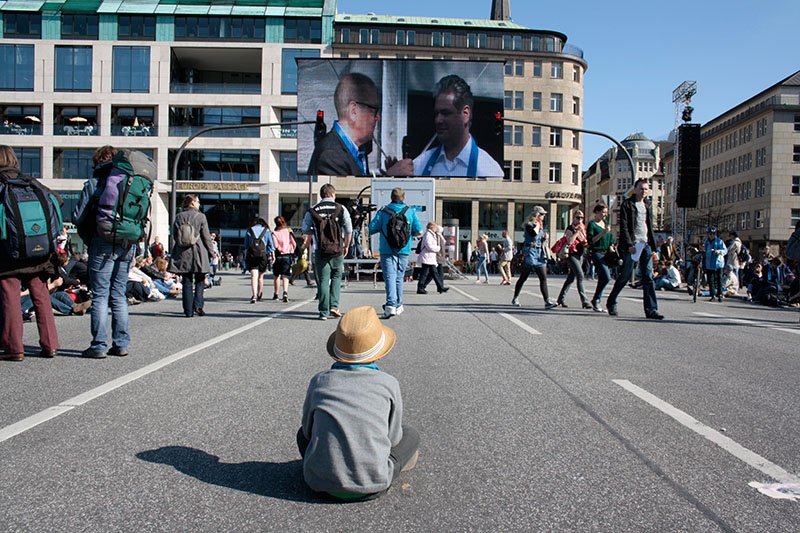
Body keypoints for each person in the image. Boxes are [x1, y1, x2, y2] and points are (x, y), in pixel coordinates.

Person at [297, 306, 420, 501]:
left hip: (318, 483)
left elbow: (307, 432)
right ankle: (377, 467)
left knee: (302, 435)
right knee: (411, 434)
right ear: (378, 353)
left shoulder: (319, 381)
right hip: (373, 483)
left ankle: (324, 465)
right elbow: (394, 437)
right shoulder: (388, 383)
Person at [76, 145, 138, 358]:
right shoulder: (129, 182)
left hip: (101, 242)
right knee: (119, 294)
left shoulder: (94, 183)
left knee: (101, 295)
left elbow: (78, 216)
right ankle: (121, 343)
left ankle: (99, 345)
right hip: (127, 244)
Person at [0, 146, 61, 360]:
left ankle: (14, 347)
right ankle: (50, 344)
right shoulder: (32, 183)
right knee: (41, 296)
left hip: (8, 254)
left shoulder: (1, 186)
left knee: (10, 297)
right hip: (39, 251)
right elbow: (57, 201)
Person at [411, 74, 503, 177]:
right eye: (437, 113)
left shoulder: (489, 171)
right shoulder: (419, 166)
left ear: (465, 114)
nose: (438, 120)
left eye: (446, 113)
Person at [605, 178, 663, 319]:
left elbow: (649, 225)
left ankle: (651, 309)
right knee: (625, 276)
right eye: (641, 188)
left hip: (646, 244)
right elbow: (624, 226)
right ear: (635, 189)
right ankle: (611, 302)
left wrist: (653, 244)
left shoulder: (647, 205)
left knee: (648, 276)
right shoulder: (628, 205)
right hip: (633, 244)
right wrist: (629, 244)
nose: (644, 191)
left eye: (646, 189)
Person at [307, 73, 381, 176]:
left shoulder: (358, 150)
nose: (378, 118)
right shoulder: (331, 156)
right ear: (354, 111)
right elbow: (347, 190)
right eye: (374, 110)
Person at [369, 187, 423, 318]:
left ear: (391, 198)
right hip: (404, 249)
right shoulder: (410, 211)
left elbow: (371, 228)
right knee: (399, 277)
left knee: (390, 277)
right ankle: (398, 304)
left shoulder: (383, 211)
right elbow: (419, 231)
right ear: (403, 198)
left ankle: (391, 305)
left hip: (387, 249)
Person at [301, 183, 352, 320]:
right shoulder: (341, 209)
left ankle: (323, 312)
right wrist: (346, 245)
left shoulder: (313, 210)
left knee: (323, 279)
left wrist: (313, 232)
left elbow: (305, 230)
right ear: (332, 194)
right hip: (337, 249)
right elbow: (348, 230)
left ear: (321, 195)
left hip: (321, 249)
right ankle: (334, 306)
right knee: (336, 276)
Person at [169, 194, 215, 318]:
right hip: (199, 252)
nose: (199, 204)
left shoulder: (178, 217)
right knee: (200, 280)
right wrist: (212, 253)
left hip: (183, 252)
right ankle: (198, 305)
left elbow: (175, 235)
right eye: (198, 201)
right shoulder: (200, 217)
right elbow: (206, 237)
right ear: (193, 203)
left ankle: (188, 310)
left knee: (187, 281)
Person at [511, 206, 557, 309]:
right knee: (524, 276)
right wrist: (537, 225)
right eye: (542, 214)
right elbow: (533, 234)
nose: (544, 216)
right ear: (537, 215)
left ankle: (547, 301)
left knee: (543, 277)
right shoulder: (529, 225)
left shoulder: (540, 226)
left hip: (539, 253)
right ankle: (515, 297)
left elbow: (540, 238)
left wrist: (545, 238)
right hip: (530, 252)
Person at [556, 210, 591, 309]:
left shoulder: (584, 228)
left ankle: (561, 299)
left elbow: (585, 241)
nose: (580, 220)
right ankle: (585, 301)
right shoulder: (570, 228)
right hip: (571, 255)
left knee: (571, 277)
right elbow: (569, 241)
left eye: (581, 218)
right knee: (580, 275)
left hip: (580, 254)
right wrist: (577, 232)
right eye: (578, 217)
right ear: (574, 218)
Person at [586, 203, 615, 312]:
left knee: (604, 278)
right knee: (606, 277)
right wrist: (603, 233)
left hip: (607, 253)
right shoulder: (592, 225)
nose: (605, 215)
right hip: (597, 252)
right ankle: (596, 299)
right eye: (603, 212)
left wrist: (612, 246)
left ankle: (596, 299)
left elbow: (611, 239)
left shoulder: (606, 223)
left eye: (606, 213)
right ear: (597, 212)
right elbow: (591, 241)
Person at [244, 217, 274, 303]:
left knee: (254, 276)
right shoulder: (266, 230)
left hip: (252, 255)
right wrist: (272, 255)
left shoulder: (249, 230)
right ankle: (259, 293)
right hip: (262, 255)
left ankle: (254, 295)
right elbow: (270, 245)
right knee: (261, 276)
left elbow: (246, 245)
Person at [416, 222, 448, 294]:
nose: (436, 229)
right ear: (432, 227)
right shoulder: (428, 235)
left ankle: (439, 287)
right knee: (426, 274)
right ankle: (421, 288)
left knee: (433, 273)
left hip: (430, 258)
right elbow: (429, 246)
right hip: (427, 257)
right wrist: (437, 248)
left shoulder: (430, 234)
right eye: (435, 227)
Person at [271, 216, 296, 303]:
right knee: (285, 275)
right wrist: (291, 250)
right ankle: (285, 292)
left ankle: (276, 294)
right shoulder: (288, 232)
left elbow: (275, 245)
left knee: (276, 275)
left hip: (278, 256)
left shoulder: (274, 233)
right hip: (287, 255)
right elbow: (294, 243)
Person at [704, 226, 727, 303]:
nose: (711, 235)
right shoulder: (706, 242)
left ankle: (720, 294)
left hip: (718, 263)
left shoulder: (719, 241)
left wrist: (719, 251)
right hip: (709, 263)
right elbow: (704, 251)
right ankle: (712, 295)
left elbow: (725, 250)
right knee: (710, 280)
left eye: (713, 234)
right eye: (710, 234)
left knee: (719, 279)